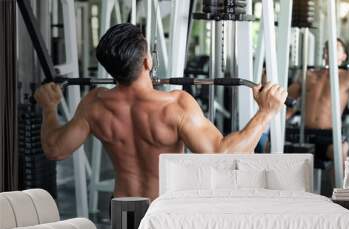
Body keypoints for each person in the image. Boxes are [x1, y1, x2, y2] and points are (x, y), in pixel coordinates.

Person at [34, 23, 287, 201]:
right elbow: (221, 155)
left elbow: (56, 149)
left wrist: (49, 107)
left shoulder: (95, 104)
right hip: (163, 208)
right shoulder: (175, 105)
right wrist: (266, 112)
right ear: (147, 62)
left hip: (123, 207)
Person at [286, 38, 349, 162]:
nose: (330, 50)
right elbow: (285, 103)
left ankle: (340, 182)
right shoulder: (307, 75)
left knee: (340, 154)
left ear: (343, 56)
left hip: (330, 137)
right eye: (327, 47)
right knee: (271, 147)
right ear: (323, 53)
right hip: (303, 134)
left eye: (336, 48)